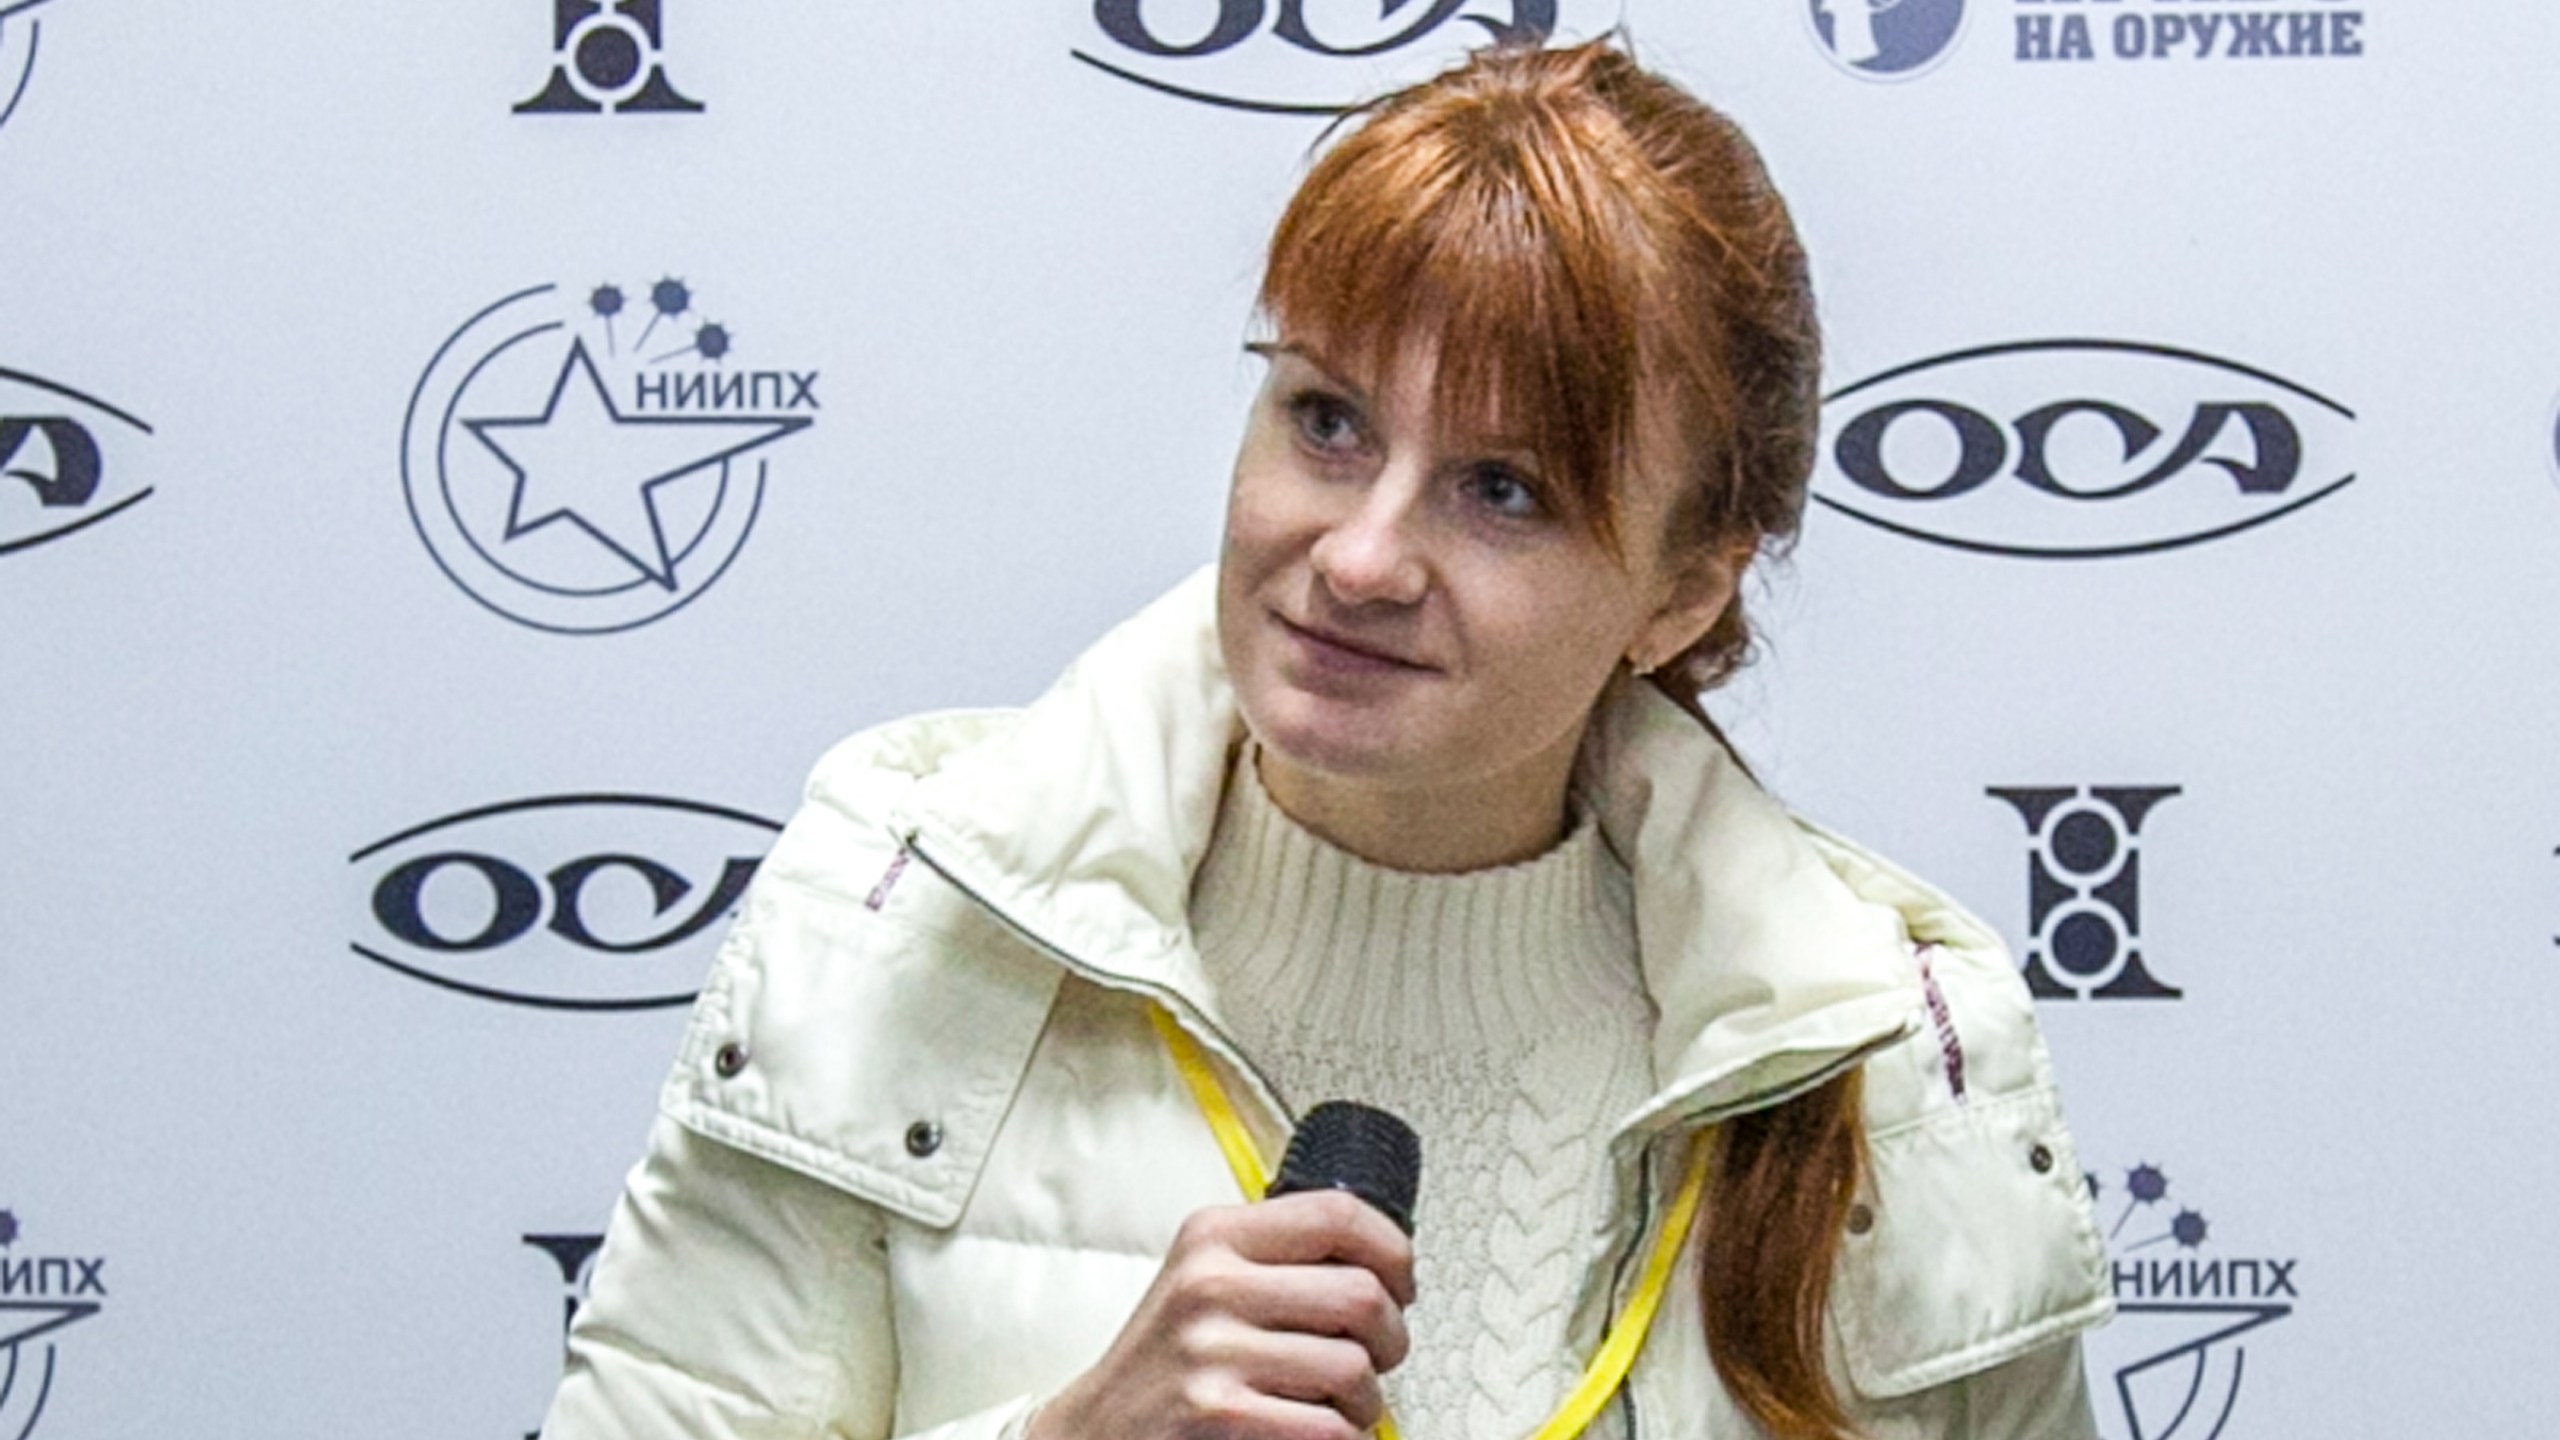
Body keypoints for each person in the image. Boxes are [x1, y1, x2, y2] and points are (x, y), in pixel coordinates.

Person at [540, 38, 2111, 1440]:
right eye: (1327, 420)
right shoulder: (895, 923)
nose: (1358, 556)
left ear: (1683, 592)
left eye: (1503, 490)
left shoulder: (1895, 1063)